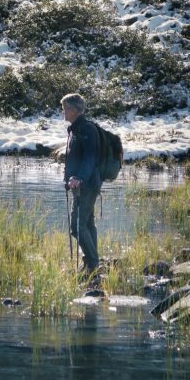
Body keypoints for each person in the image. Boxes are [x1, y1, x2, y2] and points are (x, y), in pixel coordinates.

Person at [61, 93, 102, 277]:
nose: (63, 112)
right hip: (80, 184)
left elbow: (89, 158)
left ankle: (93, 263)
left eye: (66, 108)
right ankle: (91, 262)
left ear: (75, 110)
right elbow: (74, 158)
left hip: (87, 185)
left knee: (77, 226)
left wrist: (80, 178)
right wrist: (68, 179)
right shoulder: (75, 129)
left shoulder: (86, 129)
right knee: (87, 223)